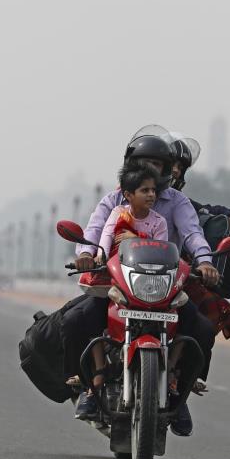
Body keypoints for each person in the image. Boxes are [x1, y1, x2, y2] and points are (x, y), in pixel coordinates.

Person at [64, 128, 219, 437]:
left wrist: (204, 261)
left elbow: (192, 234)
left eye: (157, 166)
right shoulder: (113, 201)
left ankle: (179, 391)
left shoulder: (176, 203)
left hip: (164, 285)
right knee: (73, 321)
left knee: (201, 328)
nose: (149, 174)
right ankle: (90, 385)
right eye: (143, 164)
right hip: (119, 283)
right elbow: (95, 232)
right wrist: (85, 253)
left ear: (167, 171)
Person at [80, 165, 169, 400]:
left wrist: (136, 238)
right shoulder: (118, 213)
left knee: (184, 320)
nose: (151, 195)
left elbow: (163, 249)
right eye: (144, 190)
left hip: (150, 285)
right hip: (118, 279)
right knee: (90, 315)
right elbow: (107, 234)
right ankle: (98, 372)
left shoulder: (159, 222)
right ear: (128, 195)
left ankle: (173, 379)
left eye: (153, 190)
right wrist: (98, 256)